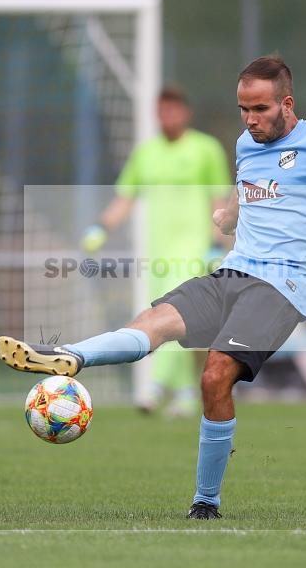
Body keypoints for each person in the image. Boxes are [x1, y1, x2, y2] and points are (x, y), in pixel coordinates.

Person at [0, 56, 306, 519]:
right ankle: (72, 357)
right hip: (235, 271)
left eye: (260, 109)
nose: (250, 119)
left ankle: (206, 502)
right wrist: (230, 216)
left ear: (286, 104)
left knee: (215, 375)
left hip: (286, 286)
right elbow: (248, 187)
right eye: (243, 109)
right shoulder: (247, 143)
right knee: (153, 321)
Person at [80, 86, 231, 417]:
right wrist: (100, 228)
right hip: (158, 253)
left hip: (193, 249)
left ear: (186, 113)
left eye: (174, 109)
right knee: (170, 319)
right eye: (162, 110)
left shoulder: (205, 149)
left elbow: (219, 199)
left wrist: (214, 243)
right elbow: (126, 197)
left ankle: (154, 385)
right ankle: (187, 394)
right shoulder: (145, 154)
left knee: (174, 314)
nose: (168, 116)